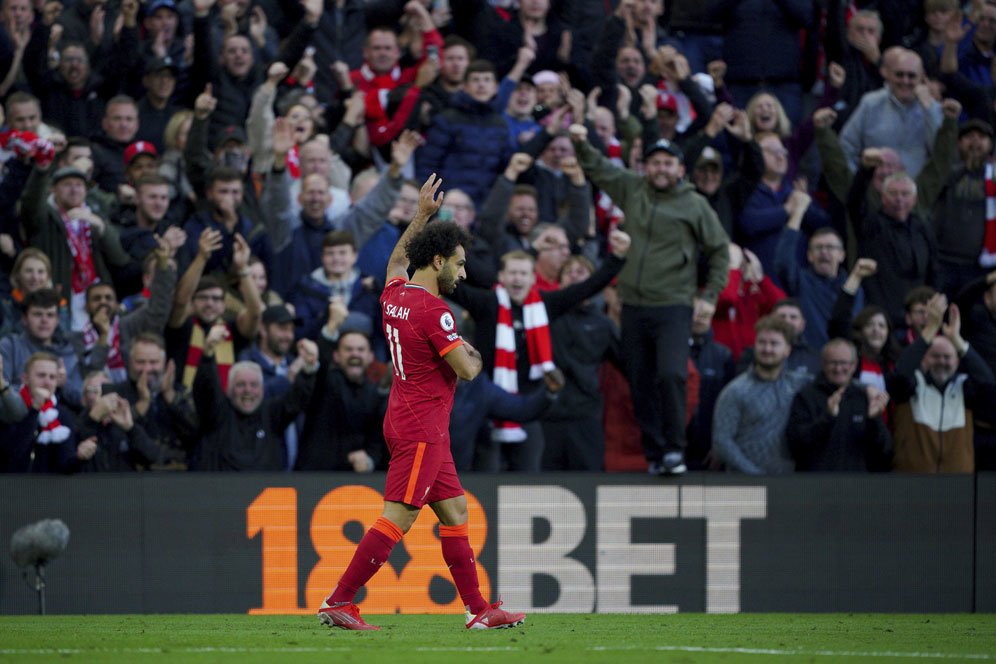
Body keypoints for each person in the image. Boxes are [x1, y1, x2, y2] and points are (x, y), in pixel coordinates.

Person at [317, 174, 525, 632]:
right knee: (399, 516)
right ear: (437, 261)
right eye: (460, 264)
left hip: (408, 416)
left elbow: (396, 260)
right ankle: (339, 599)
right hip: (422, 426)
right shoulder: (436, 311)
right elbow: (468, 371)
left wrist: (419, 216)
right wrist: (471, 349)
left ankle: (479, 609)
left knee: (455, 512)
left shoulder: (395, 295)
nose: (463, 273)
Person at [571, 126, 730, 475]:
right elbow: (597, 167)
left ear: (680, 169)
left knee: (672, 374)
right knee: (639, 380)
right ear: (647, 166)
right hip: (632, 305)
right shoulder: (632, 187)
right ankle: (655, 453)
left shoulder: (694, 204)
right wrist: (581, 141)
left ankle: (675, 449)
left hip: (674, 304)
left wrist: (711, 296)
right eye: (655, 162)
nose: (660, 168)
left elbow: (720, 250)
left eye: (667, 163)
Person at [191, 324, 319, 471]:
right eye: (240, 385)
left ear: (262, 389)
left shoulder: (271, 414)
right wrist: (207, 354)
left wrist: (309, 367)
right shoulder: (217, 413)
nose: (248, 390)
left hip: (264, 492)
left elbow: (298, 398)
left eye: (254, 385)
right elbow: (206, 388)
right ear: (229, 389)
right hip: (222, 492)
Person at [890, 295, 996, 472]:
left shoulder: (964, 388)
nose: (941, 361)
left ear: (957, 361)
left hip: (958, 488)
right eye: (935, 356)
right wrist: (930, 329)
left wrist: (957, 341)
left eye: (947, 357)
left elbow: (989, 385)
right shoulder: (912, 385)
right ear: (924, 358)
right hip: (912, 485)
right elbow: (899, 377)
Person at [712, 315, 812, 474]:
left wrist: (867, 389)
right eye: (762, 342)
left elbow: (832, 381)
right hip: (744, 486)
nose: (767, 349)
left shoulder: (799, 384)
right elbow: (722, 441)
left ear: (787, 350)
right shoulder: (735, 390)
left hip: (788, 484)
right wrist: (755, 475)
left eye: (774, 343)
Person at [786, 338, 893, 471]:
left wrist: (874, 420)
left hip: (855, 486)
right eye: (833, 363)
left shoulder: (865, 398)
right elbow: (795, 444)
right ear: (823, 364)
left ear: (854, 365)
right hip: (813, 486)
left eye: (843, 363)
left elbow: (885, 449)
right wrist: (828, 418)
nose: (838, 369)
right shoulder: (806, 396)